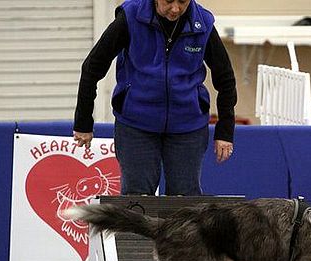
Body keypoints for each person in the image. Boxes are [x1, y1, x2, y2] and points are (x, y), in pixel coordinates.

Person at [73, 0, 237, 196]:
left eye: (183, 1)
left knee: (185, 203)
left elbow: (225, 78)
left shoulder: (203, 23)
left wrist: (225, 131)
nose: (175, 9)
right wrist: (83, 122)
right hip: (136, 125)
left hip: (188, 127)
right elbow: (92, 68)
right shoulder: (130, 16)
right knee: (136, 201)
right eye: (168, 1)